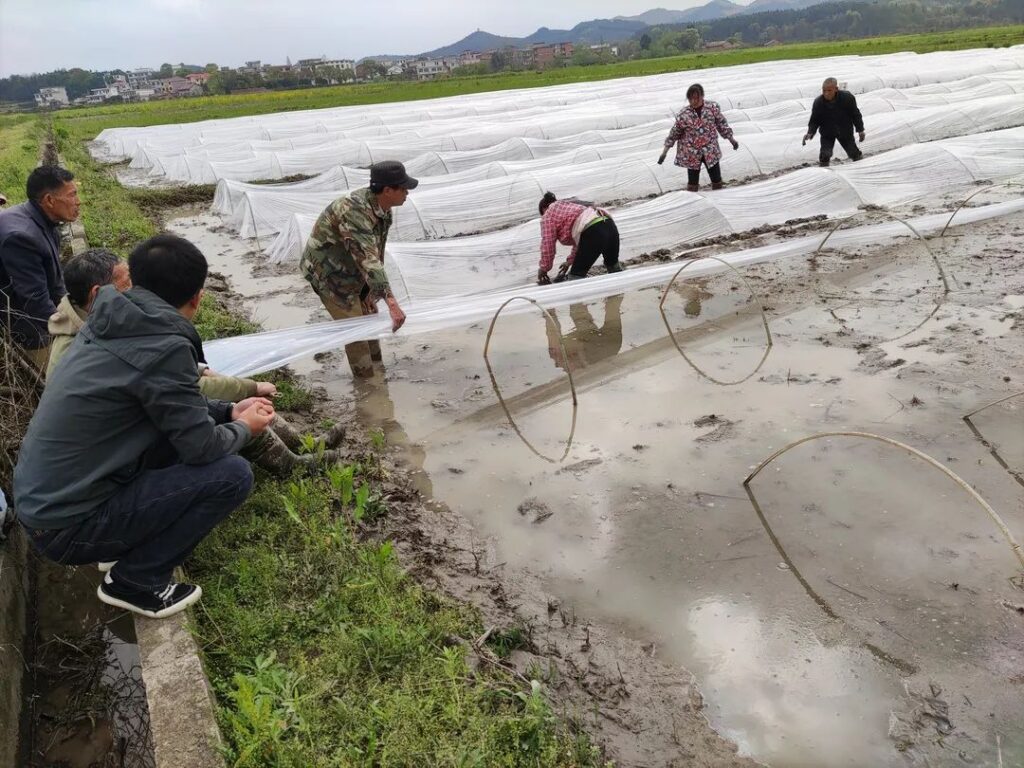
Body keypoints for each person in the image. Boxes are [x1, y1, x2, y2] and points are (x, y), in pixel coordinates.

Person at [14, 234, 275, 619]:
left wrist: (228, 411)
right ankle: (136, 580)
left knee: (173, 440)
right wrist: (244, 429)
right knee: (232, 474)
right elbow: (201, 448)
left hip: (46, 506)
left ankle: (116, 545)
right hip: (65, 526)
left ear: (133, 281)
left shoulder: (109, 320)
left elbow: (169, 404)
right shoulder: (163, 345)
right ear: (197, 298)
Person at [46, 247, 344, 474]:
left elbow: (164, 367)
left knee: (234, 409)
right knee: (233, 417)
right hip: (118, 447)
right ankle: (293, 466)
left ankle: (305, 445)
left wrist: (207, 374)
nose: (136, 293)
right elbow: (181, 384)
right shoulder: (82, 346)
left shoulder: (101, 324)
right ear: (98, 294)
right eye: (127, 286)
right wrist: (248, 388)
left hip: (133, 417)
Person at [300, 160, 412, 379]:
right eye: (403, 187)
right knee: (355, 330)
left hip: (352, 269)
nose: (407, 192)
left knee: (369, 318)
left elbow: (375, 251)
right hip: (330, 277)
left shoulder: (383, 209)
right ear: (388, 190)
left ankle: (378, 370)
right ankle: (367, 385)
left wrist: (371, 291)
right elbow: (369, 259)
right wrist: (392, 304)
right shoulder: (354, 211)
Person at [0, 166, 80, 369]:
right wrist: (72, 329)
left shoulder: (44, 220)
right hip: (24, 324)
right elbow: (35, 300)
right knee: (59, 373)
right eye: (72, 195)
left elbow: (55, 282)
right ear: (49, 200)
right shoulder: (21, 237)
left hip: (34, 310)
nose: (78, 201)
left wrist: (72, 311)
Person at [659, 83, 739, 192]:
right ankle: (693, 202)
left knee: (716, 179)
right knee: (692, 182)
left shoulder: (712, 109)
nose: (693, 101)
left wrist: (732, 140)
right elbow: (674, 133)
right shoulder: (684, 114)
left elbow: (722, 124)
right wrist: (664, 152)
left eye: (695, 98)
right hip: (692, 152)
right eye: (690, 99)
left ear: (702, 96)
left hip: (710, 150)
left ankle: (720, 198)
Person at [537, 192, 623, 285]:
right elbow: (580, 240)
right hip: (609, 225)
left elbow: (548, 245)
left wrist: (544, 268)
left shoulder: (548, 215)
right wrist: (569, 262)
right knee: (614, 269)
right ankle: (620, 295)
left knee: (575, 278)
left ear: (544, 208)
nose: (543, 217)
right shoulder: (570, 206)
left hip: (594, 231)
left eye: (542, 214)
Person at [546, 294, 624, 372]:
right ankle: (575, 297)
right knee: (579, 315)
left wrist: (549, 311)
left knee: (581, 316)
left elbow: (552, 330)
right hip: (610, 346)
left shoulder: (561, 356)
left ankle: (576, 299)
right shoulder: (561, 357)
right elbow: (552, 330)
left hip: (610, 347)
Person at [803, 77, 865, 167]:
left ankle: (861, 167)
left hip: (844, 130)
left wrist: (860, 130)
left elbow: (855, 114)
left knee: (853, 153)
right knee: (825, 154)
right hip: (827, 132)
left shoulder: (847, 98)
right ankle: (825, 171)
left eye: (829, 90)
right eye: (824, 91)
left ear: (836, 89)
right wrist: (810, 132)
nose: (826, 93)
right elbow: (814, 120)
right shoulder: (818, 102)